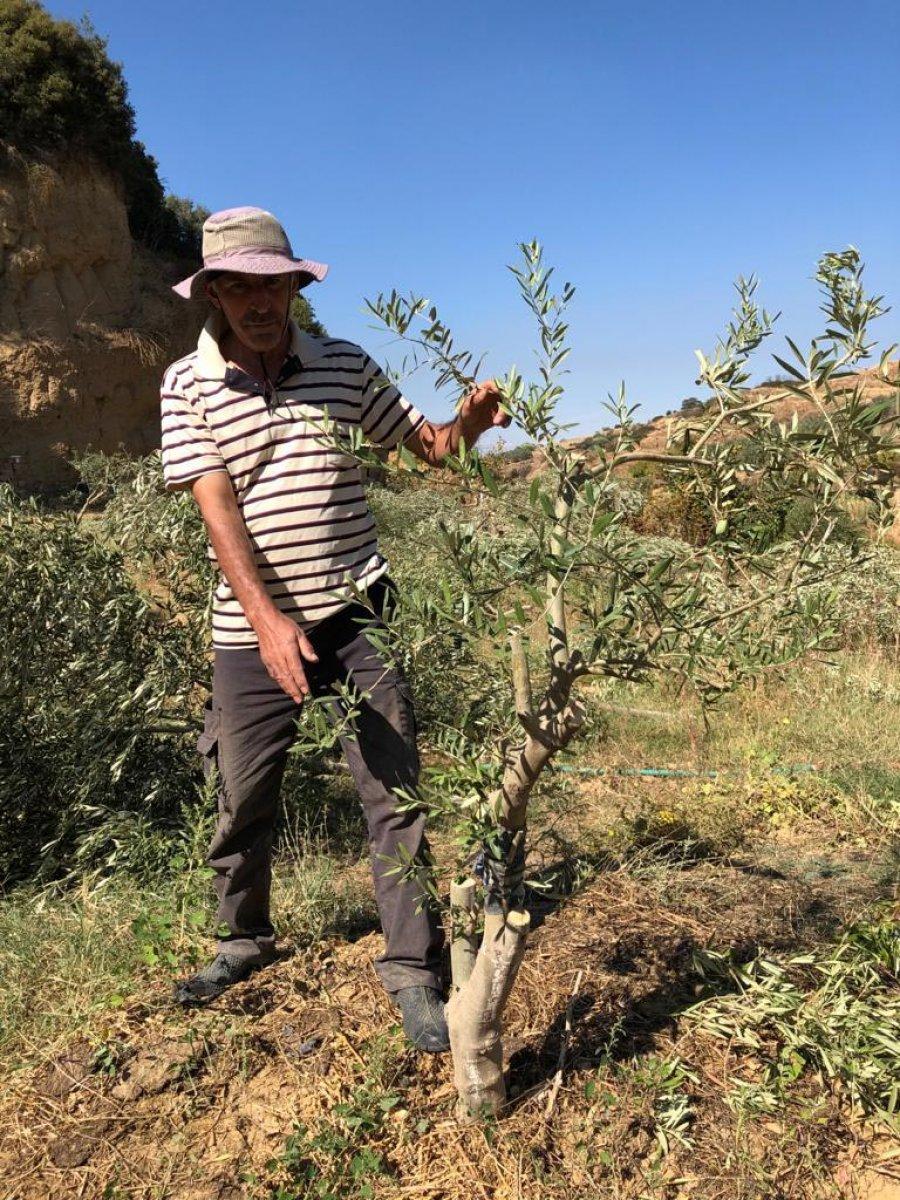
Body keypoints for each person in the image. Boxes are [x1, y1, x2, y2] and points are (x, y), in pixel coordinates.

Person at [160, 207, 508, 1052]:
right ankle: (242, 942)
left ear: (293, 288)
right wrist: (270, 622)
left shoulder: (346, 366)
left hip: (361, 613)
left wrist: (467, 424)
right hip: (251, 631)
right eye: (237, 285)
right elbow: (219, 513)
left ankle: (413, 971)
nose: (257, 301)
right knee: (241, 791)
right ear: (212, 294)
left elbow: (426, 448)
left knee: (393, 792)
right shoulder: (186, 382)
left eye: (270, 283)